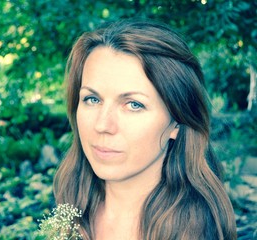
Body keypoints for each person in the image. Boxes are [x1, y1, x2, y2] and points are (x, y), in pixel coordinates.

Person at [53, 19, 237, 240]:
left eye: (134, 105)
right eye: (92, 99)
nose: (102, 125)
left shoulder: (194, 233)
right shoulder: (71, 204)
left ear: (177, 122)